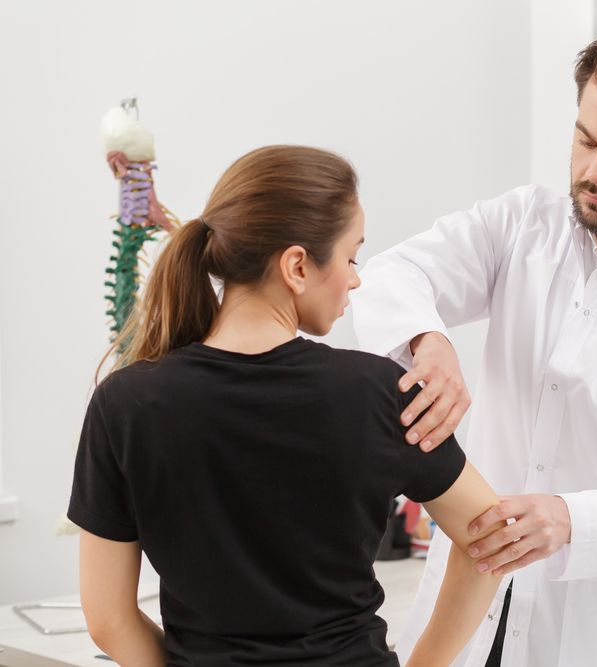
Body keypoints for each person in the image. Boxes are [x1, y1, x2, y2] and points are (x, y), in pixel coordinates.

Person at [351, 33, 597, 667]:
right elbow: (392, 274)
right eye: (586, 140)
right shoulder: (521, 225)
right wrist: (430, 341)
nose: (595, 172)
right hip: (468, 619)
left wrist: (569, 520)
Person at [67, 145, 506, 667]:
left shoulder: (126, 403)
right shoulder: (378, 392)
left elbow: (107, 620)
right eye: (351, 257)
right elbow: (493, 537)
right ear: (297, 265)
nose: (356, 278)